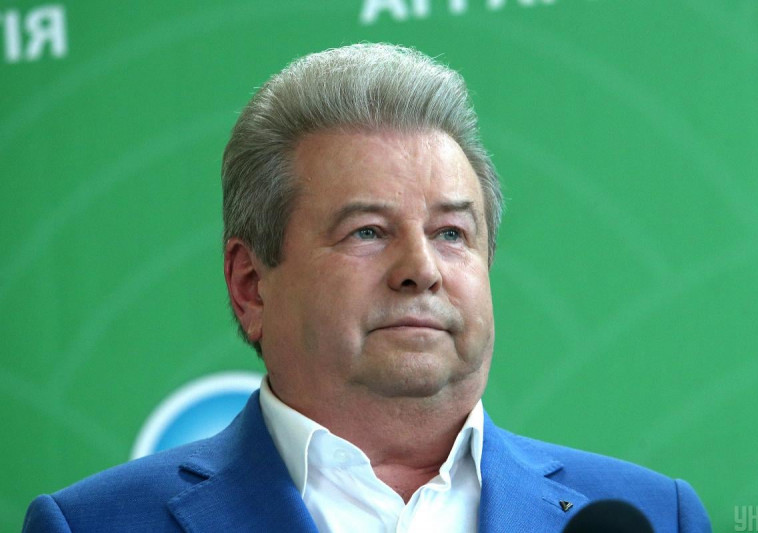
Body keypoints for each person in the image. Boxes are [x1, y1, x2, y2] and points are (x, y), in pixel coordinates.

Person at [23, 43, 711, 532]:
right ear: (251, 285)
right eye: (368, 231)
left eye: (451, 232)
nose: (421, 268)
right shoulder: (94, 525)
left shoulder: (652, 516)